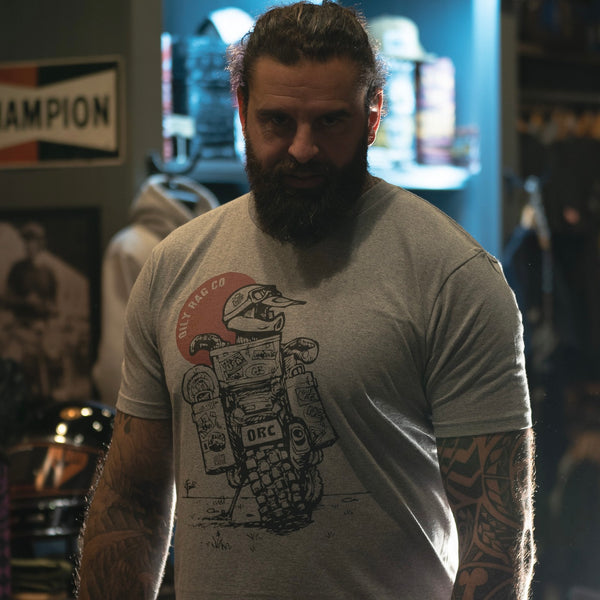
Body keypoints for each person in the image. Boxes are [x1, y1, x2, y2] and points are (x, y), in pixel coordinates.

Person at [77, 2, 535, 599]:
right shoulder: (172, 267)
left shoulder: (453, 277)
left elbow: (497, 540)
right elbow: (131, 503)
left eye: (330, 122)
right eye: (277, 121)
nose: (302, 149)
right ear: (242, 110)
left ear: (373, 116)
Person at [91, 174, 219, 407]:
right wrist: (123, 413)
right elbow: (117, 345)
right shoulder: (130, 246)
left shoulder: (216, 242)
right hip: (152, 400)